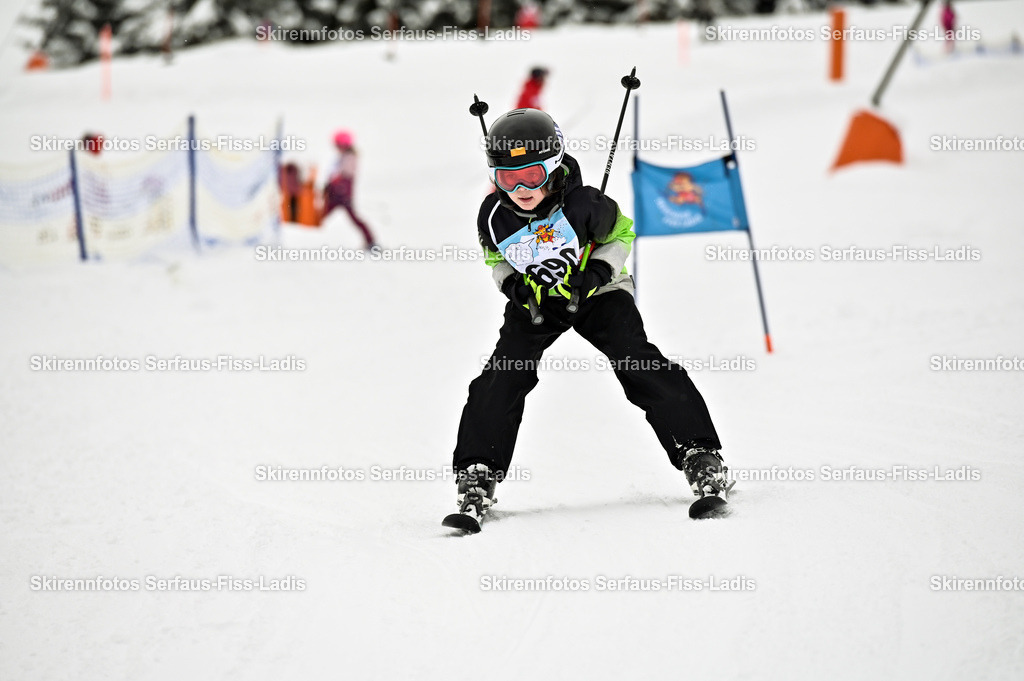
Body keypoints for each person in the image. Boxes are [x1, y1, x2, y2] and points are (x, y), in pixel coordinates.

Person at [450, 108, 730, 523]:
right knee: (504, 373)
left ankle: (699, 454)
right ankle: (479, 471)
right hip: (537, 301)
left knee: (635, 358)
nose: (522, 188)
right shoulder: (494, 216)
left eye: (532, 174)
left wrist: (598, 270)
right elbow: (497, 257)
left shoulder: (585, 204)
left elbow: (621, 234)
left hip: (599, 292)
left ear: (554, 165)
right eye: (508, 178)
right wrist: (514, 285)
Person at [322, 129, 377, 249]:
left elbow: (344, 177)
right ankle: (370, 241)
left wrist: (333, 188)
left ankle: (371, 242)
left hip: (342, 196)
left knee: (321, 216)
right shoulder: (343, 157)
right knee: (321, 215)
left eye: (337, 145)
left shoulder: (349, 157)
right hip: (337, 195)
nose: (335, 147)